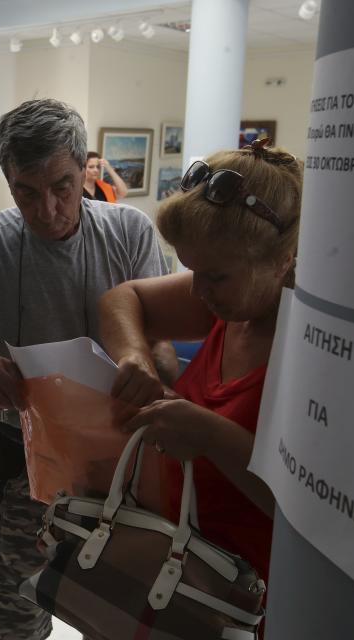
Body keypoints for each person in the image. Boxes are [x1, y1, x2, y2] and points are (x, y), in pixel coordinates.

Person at [0, 98, 169, 640]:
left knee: (119, 618)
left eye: (62, 186)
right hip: (23, 463)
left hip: (123, 463)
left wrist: (144, 362)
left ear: (84, 167)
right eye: (26, 193)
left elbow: (165, 352)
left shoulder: (129, 232)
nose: (48, 208)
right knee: (12, 623)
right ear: (8, 182)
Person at [99, 139, 302, 588]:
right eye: (192, 272)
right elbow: (123, 297)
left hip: (238, 595)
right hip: (168, 564)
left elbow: (306, 505)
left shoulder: (310, 349)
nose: (197, 292)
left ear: (281, 261)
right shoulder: (228, 304)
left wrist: (209, 433)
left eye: (214, 277)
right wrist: (135, 354)